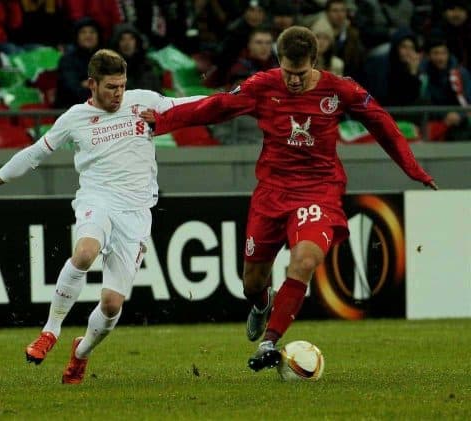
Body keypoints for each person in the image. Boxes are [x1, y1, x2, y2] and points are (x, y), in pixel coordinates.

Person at [140, 26, 437, 372]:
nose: (293, 81)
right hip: (272, 193)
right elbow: (216, 106)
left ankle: (269, 342)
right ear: (278, 61)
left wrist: (413, 168)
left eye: (300, 73)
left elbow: (382, 123)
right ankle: (262, 301)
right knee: (252, 282)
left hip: (318, 191)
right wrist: (163, 121)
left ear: (314, 62)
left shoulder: (340, 90)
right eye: (287, 72)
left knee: (306, 259)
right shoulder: (261, 86)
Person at [0, 49, 204, 384]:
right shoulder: (74, 118)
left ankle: (81, 353)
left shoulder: (143, 101)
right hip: (98, 199)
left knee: (110, 305)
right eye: (110, 87)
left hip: (135, 213)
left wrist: (238, 97)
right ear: (91, 84)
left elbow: (191, 105)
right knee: (84, 252)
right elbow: (33, 154)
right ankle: (50, 331)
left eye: (121, 86)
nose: (117, 93)